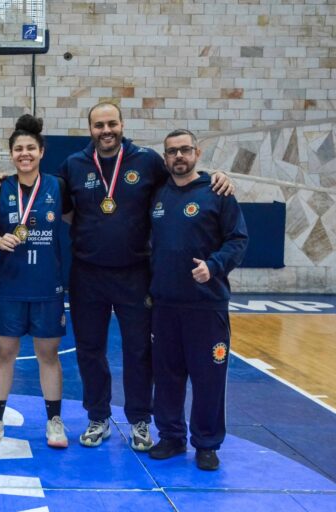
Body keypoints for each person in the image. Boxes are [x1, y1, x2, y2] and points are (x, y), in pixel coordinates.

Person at [57, 103, 233, 451]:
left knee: (138, 350)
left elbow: (183, 179)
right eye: (98, 125)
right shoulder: (74, 164)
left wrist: (217, 176)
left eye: (111, 123)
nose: (106, 131)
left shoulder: (147, 161)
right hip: (88, 273)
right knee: (90, 349)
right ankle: (98, 417)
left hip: (135, 273)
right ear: (90, 129)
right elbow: (62, 209)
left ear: (122, 125)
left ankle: (139, 419)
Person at [147, 129, 248, 470]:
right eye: (172, 151)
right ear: (165, 158)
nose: (179, 156)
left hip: (206, 305)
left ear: (197, 153)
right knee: (167, 376)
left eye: (185, 149)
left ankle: (206, 443)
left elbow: (238, 240)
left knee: (208, 378)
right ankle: (171, 436)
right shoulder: (157, 195)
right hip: (165, 305)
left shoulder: (217, 192)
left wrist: (214, 266)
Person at [0, 114, 73, 449]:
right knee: (4, 353)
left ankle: (54, 420)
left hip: (47, 285)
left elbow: (77, 219)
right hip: (9, 285)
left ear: (41, 151)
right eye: (19, 149)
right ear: (11, 154)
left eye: (30, 148)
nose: (25, 154)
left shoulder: (58, 186)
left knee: (48, 354)